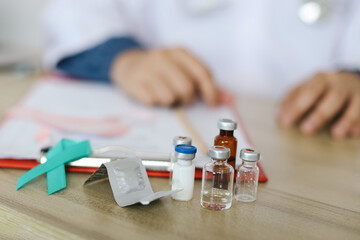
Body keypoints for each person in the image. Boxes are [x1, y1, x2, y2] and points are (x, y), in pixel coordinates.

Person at [44, 0, 360, 139]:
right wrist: (125, 59)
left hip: (320, 138)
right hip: (174, 120)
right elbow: (73, 10)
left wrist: (354, 75)